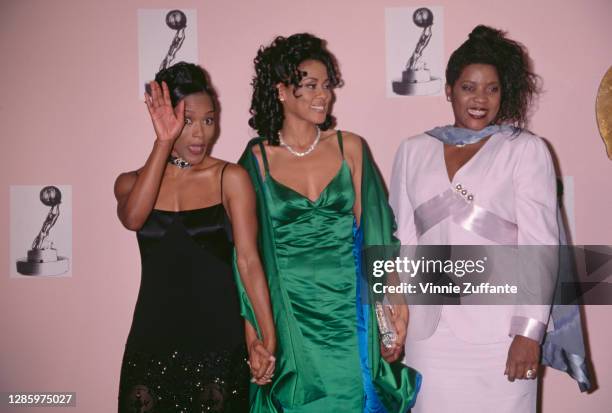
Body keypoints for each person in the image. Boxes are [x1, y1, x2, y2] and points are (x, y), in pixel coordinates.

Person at [389, 25, 591, 412]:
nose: (480, 99)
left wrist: (529, 333)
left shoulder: (526, 151)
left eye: (492, 89)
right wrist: (392, 316)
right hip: (427, 334)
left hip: (501, 335)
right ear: (449, 90)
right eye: (468, 87)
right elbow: (403, 242)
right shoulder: (413, 150)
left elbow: (540, 244)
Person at [236, 33, 421, 412]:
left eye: (327, 85)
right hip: (290, 317)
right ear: (283, 91)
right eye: (310, 86)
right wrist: (255, 337)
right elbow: (248, 261)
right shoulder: (255, 160)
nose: (324, 95)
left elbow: (378, 239)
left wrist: (394, 307)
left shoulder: (350, 148)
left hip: (351, 313)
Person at [114, 62, 276, 412]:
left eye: (208, 119)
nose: (201, 133)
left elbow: (249, 262)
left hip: (219, 343)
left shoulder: (230, 178)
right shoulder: (130, 182)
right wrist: (163, 142)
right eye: (187, 121)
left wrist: (267, 336)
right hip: (151, 339)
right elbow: (133, 218)